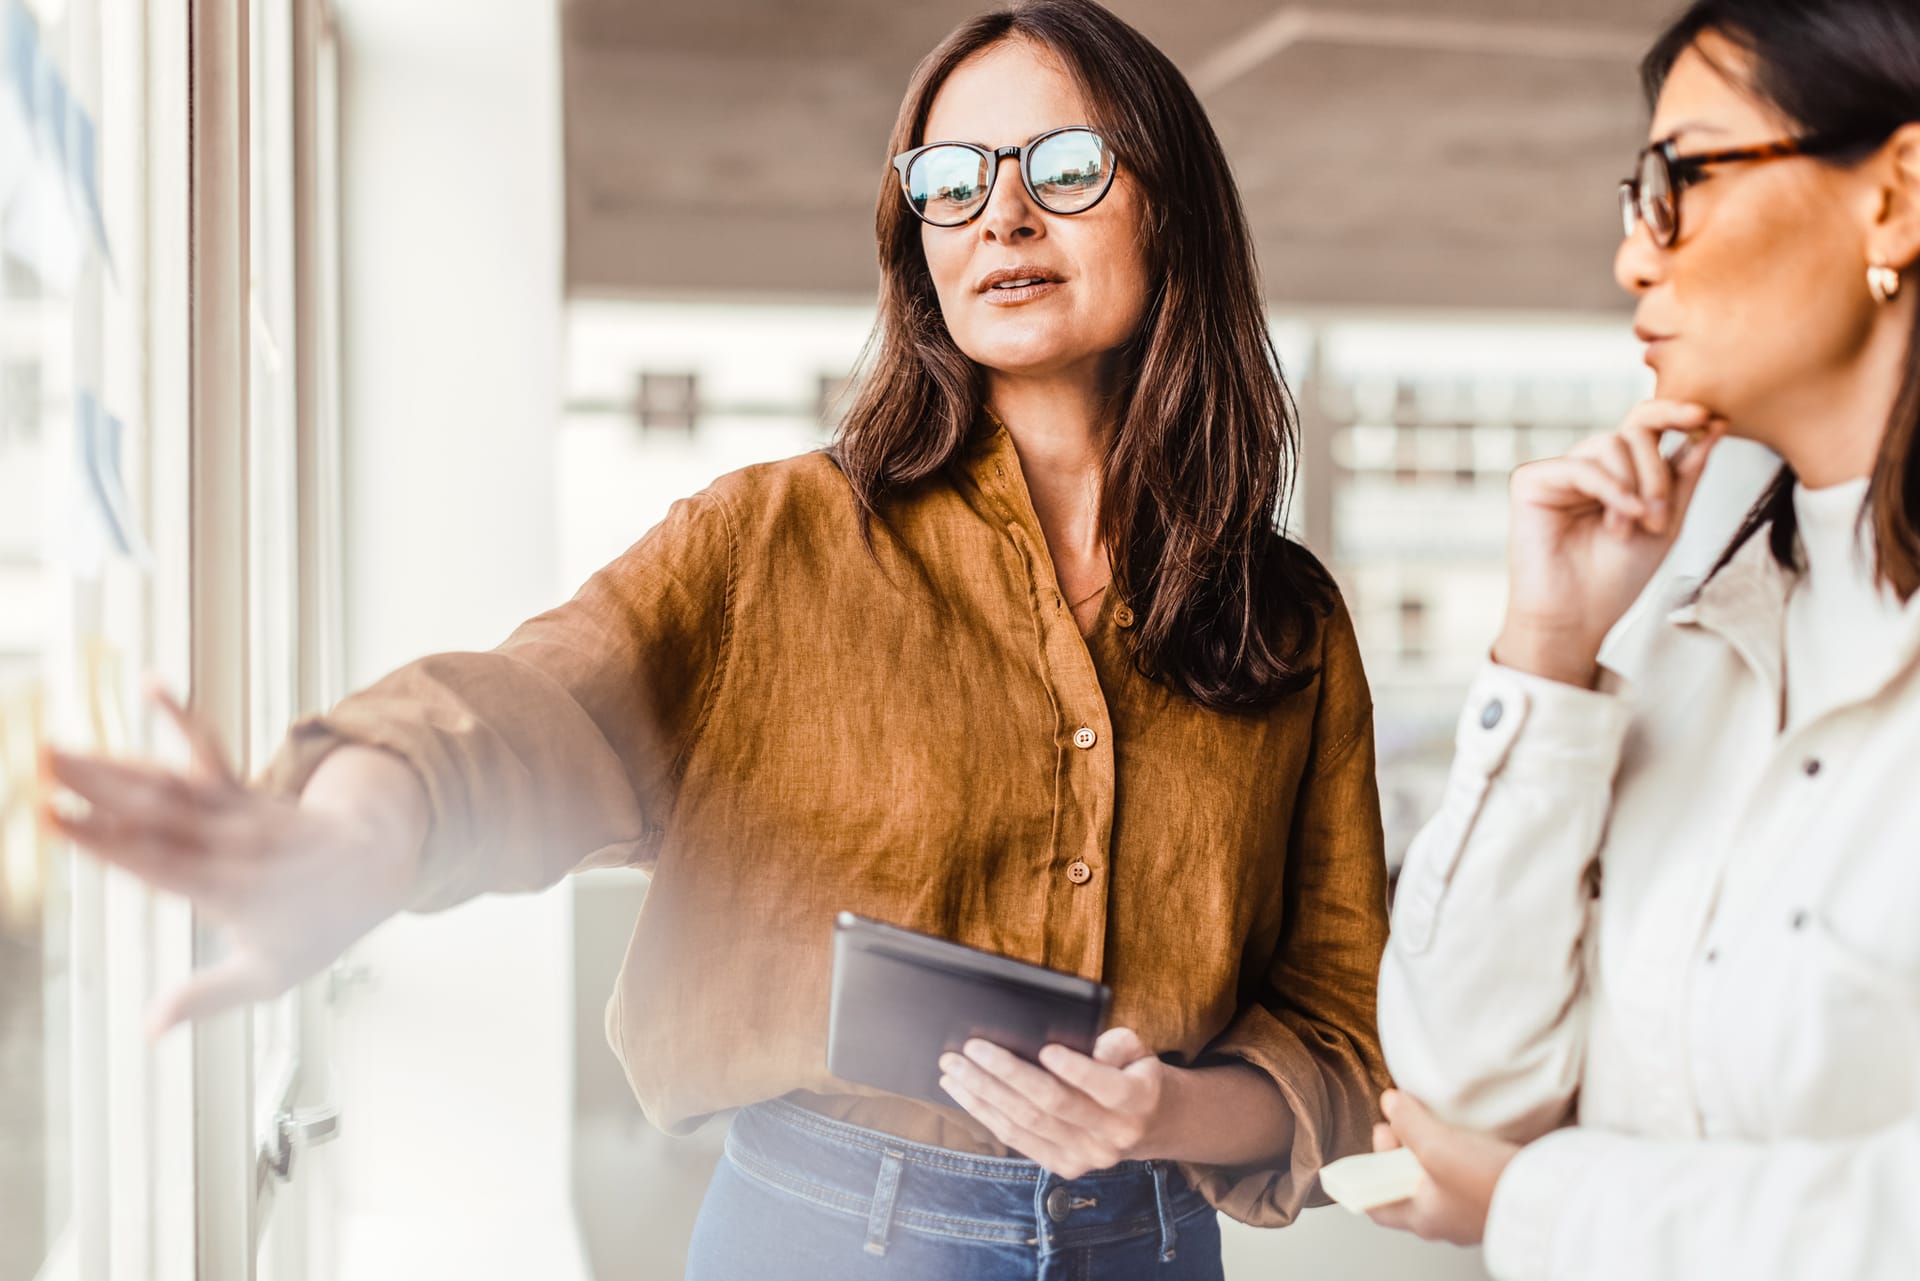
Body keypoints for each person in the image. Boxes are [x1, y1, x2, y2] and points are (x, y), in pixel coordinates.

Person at [41, 2, 1391, 1275]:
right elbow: (539, 706)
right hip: (829, 1236)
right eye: (952, 179)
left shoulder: (1288, 620)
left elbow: (1339, 1033)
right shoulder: (775, 539)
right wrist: (354, 830)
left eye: (1067, 163)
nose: (1005, 214)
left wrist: (1161, 1118)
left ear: (1174, 206)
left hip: (1151, 1243)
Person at [1363, 2, 1920, 1277]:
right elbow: (1462, 1088)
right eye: (1636, 192)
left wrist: (1537, 1210)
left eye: (1685, 178)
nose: (1634, 258)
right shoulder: (1683, 598)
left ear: (1896, 195)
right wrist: (1547, 648)